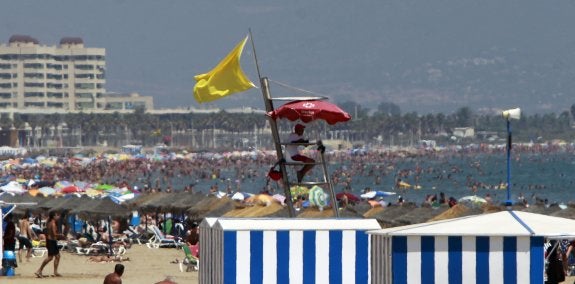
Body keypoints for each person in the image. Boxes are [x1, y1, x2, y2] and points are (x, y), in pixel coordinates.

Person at [35, 211, 63, 278]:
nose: (58, 217)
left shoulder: (49, 222)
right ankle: (39, 270)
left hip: (50, 241)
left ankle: (55, 272)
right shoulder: (53, 223)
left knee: (58, 256)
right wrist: (61, 235)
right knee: (50, 257)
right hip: (51, 241)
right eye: (57, 215)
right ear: (53, 216)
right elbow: (54, 234)